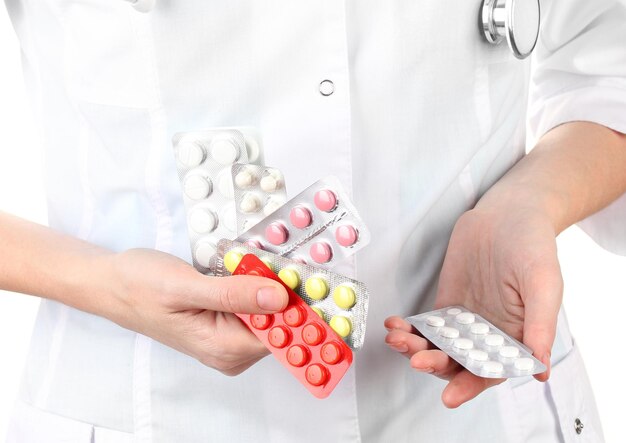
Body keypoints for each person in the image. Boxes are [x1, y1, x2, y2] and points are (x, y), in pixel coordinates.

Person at [2, 0, 626, 441]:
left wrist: (529, 202)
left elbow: (606, 66)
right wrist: (102, 283)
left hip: (476, 413)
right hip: (149, 411)